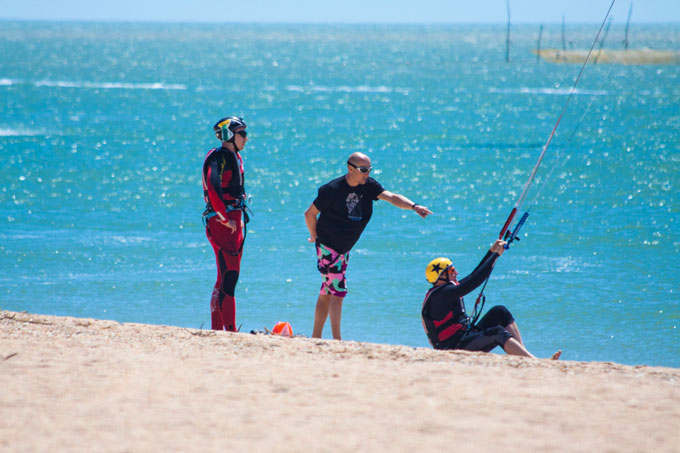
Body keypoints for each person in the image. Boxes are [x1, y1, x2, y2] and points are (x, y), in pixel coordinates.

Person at [304, 152, 432, 340]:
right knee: (338, 291)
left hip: (344, 248)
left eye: (369, 170)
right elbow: (309, 214)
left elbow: (392, 197)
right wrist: (314, 236)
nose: (367, 174)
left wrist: (414, 206)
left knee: (327, 291)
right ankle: (337, 340)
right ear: (350, 169)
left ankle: (316, 338)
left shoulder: (369, 186)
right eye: (363, 170)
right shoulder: (332, 189)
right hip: (328, 246)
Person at [421, 239, 561, 359]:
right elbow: (473, 282)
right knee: (497, 332)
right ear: (442, 276)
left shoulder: (446, 290)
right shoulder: (441, 295)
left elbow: (473, 275)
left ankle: (523, 356)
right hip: (452, 347)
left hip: (464, 337)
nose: (456, 273)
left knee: (500, 312)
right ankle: (534, 362)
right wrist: (495, 257)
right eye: (452, 271)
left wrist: (491, 252)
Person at [201, 116, 250, 331]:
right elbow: (212, 187)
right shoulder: (219, 157)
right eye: (242, 133)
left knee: (223, 278)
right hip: (225, 224)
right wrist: (223, 217)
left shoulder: (233, 156)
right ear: (230, 135)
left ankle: (217, 329)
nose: (247, 138)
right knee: (230, 278)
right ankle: (230, 330)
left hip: (231, 221)